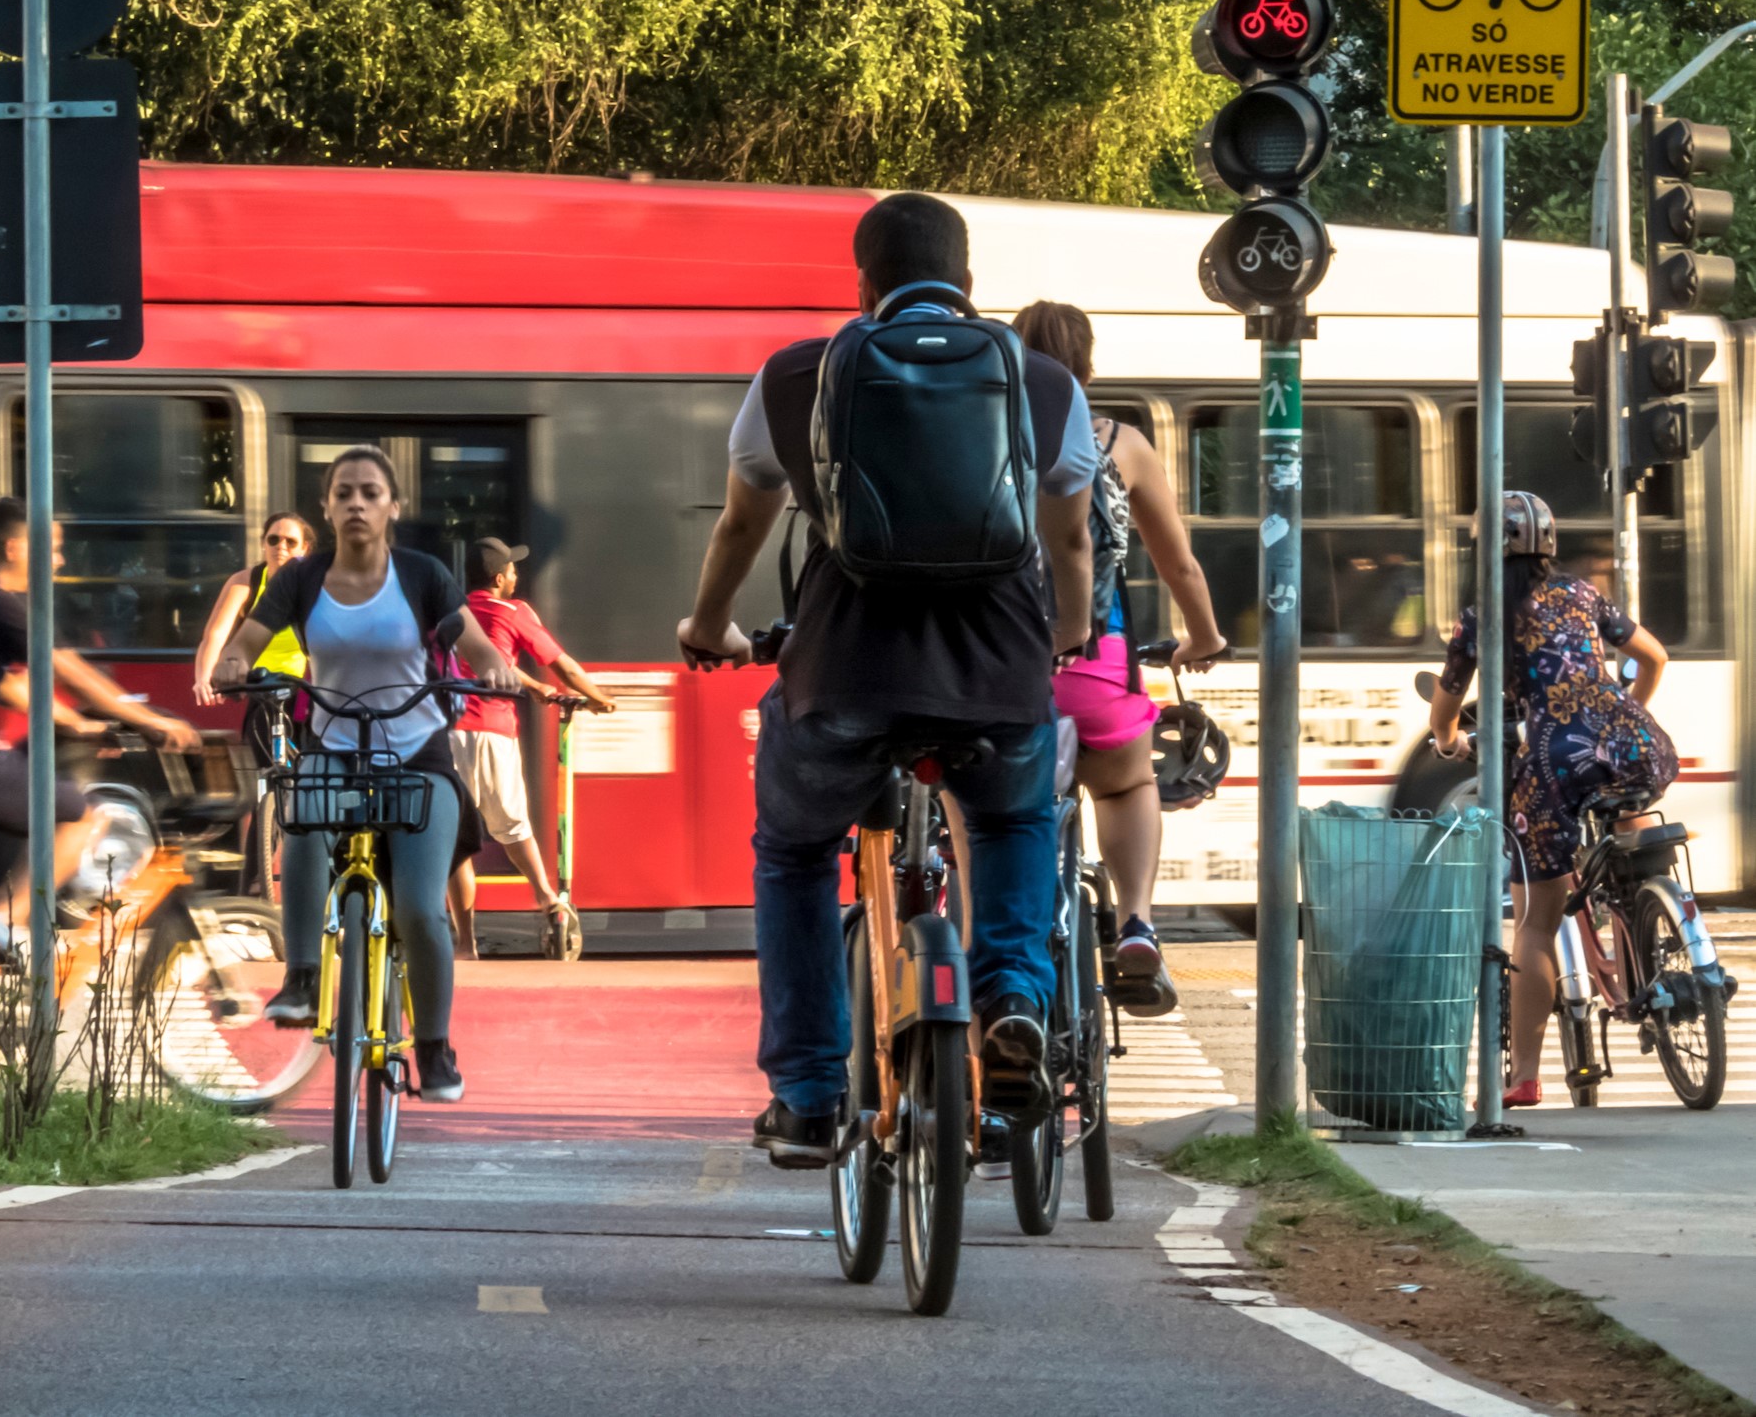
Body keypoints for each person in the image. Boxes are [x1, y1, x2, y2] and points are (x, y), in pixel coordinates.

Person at [676, 192, 1097, 1167]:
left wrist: (706, 626)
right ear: (969, 285)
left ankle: (810, 1094)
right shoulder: (1040, 384)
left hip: (844, 668)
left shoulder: (795, 378)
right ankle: (1013, 1000)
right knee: (1012, 819)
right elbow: (1069, 535)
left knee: (792, 852)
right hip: (997, 672)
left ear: (862, 286)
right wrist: (1065, 633)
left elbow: (742, 524)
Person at [214, 446, 516, 1104]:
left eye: (370, 492)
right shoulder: (301, 577)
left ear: (391, 508)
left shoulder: (421, 574)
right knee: (301, 828)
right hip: (332, 747)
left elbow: (470, 639)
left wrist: (493, 664)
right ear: (327, 507)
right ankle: (298, 979)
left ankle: (432, 1047)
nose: (356, 502)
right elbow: (250, 635)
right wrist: (234, 662)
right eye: (343, 491)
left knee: (416, 904)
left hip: (417, 755)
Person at [1428, 490, 1676, 1108]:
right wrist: (1623, 718)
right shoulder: (1582, 594)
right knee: (1631, 825)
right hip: (1635, 741)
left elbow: (1447, 703)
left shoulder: (1480, 616)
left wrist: (1448, 741)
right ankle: (1654, 914)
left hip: (1548, 760)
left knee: (1536, 920)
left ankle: (1525, 1077)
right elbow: (1654, 656)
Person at [1012, 300, 1226, 1017]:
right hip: (1096, 665)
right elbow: (1179, 565)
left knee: (998, 810)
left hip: (1000, 663)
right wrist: (1203, 638)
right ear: (1087, 363)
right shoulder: (1119, 442)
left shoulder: (984, 436)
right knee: (1126, 783)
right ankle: (1135, 922)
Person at [0, 497, 201, 935]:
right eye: (52, 548)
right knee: (83, 815)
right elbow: (67, 669)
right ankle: (4, 920)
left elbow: (8, 686)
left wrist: (75, 722)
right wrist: (152, 720)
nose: (60, 560)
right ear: (17, 548)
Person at [445, 537, 615, 958]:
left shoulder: (453, 611)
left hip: (445, 733)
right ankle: (546, 898)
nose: (518, 577)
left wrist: (536, 687)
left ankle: (466, 945)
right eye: (514, 571)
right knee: (513, 827)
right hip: (491, 729)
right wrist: (599, 698)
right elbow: (565, 665)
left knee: (457, 841)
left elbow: (487, 660)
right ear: (500, 578)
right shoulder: (513, 611)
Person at [190, 512, 316, 717]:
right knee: (260, 735)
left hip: (302, 686)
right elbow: (215, 635)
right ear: (263, 544)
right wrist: (204, 678)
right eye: (273, 539)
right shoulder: (245, 582)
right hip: (259, 685)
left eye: (291, 542)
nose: (281, 547)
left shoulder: (313, 585)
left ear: (305, 548)